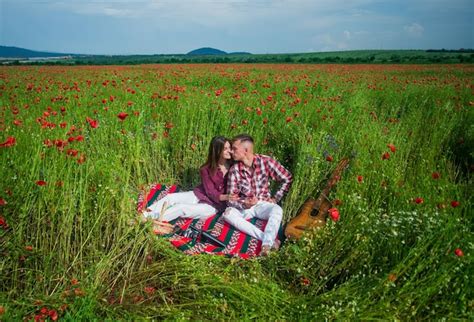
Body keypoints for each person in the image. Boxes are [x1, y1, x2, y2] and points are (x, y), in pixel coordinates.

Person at [223, 134, 292, 256]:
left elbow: (287, 177)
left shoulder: (265, 161)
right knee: (228, 213)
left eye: (234, 148)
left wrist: (276, 198)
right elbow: (230, 198)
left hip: (262, 204)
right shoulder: (234, 170)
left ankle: (265, 247)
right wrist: (244, 204)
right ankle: (267, 240)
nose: (231, 151)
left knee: (277, 210)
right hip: (245, 207)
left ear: (246, 150)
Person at [142, 136, 238, 223]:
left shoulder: (235, 166)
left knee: (181, 208)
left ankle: (150, 220)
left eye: (230, 148)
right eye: (225, 149)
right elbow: (210, 192)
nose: (229, 151)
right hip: (202, 194)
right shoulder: (206, 169)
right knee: (171, 197)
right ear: (217, 151)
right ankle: (144, 214)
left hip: (213, 206)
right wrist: (226, 196)